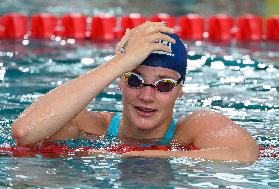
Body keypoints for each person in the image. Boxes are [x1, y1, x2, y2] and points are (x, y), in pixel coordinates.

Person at [11, 21, 259, 163]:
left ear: (180, 91)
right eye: (135, 80)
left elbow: (245, 154)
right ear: (119, 81)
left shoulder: (194, 129)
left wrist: (137, 155)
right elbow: (24, 132)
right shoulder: (87, 126)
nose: (147, 96)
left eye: (164, 85)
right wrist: (119, 63)